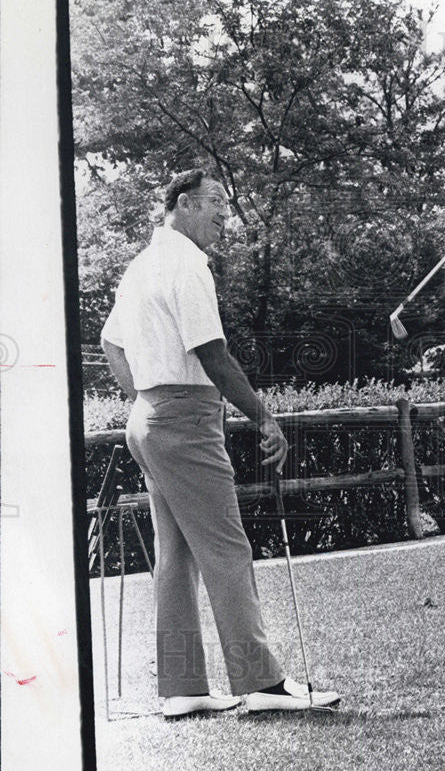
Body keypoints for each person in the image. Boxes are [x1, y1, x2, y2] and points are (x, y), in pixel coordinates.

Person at [101, 168, 340, 716]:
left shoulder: (141, 265)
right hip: (183, 420)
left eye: (226, 209)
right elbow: (214, 354)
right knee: (227, 548)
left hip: (150, 418)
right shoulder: (186, 264)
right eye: (215, 205)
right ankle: (261, 684)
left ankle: (182, 689)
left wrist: (145, 396)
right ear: (183, 204)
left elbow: (110, 343)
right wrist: (265, 418)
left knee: (177, 556)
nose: (224, 218)